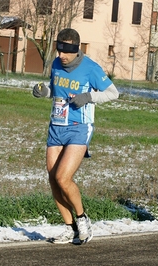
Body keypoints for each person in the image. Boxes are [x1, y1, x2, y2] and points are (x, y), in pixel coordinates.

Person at [32, 28, 119, 244]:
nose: (61, 55)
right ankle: (70, 228)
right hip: (56, 126)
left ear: (75, 49)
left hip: (79, 128)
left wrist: (88, 96)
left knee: (63, 177)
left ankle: (82, 219)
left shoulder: (90, 68)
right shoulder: (55, 64)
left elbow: (113, 93)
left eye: (65, 51)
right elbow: (56, 90)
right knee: (53, 180)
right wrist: (45, 92)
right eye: (58, 50)